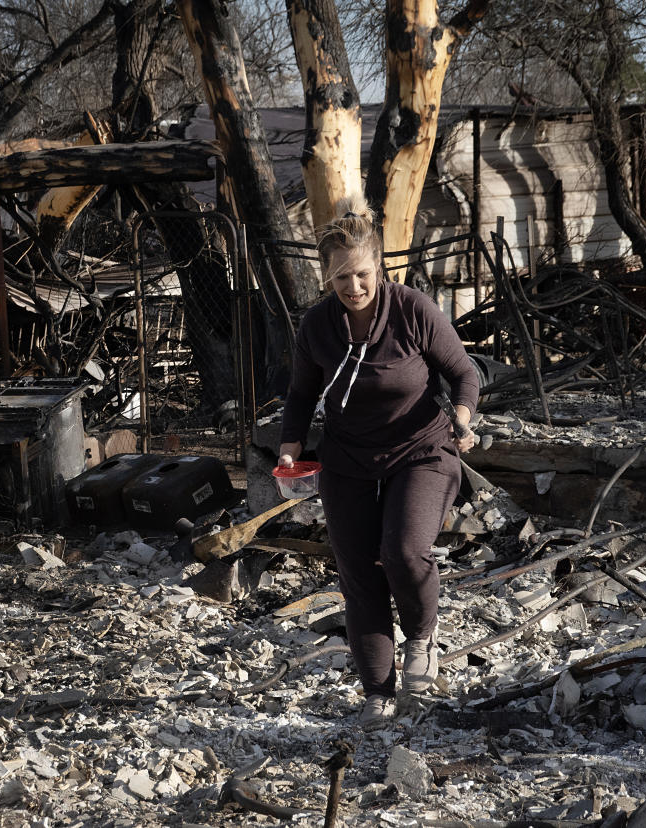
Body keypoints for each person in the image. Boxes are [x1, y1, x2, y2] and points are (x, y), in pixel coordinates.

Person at [277, 201, 478, 726]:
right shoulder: (317, 326)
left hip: (421, 450)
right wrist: (290, 446)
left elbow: (464, 373)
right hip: (347, 458)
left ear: (380, 269)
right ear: (327, 277)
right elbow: (300, 395)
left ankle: (422, 638)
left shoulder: (413, 309)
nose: (353, 286)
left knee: (404, 550)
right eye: (341, 277)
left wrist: (462, 416)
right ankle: (376, 693)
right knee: (359, 574)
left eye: (362, 274)